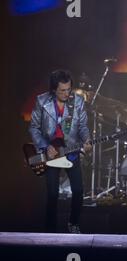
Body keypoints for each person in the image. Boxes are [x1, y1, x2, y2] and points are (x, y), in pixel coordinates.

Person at [29, 70, 91, 233]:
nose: (66, 93)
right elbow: (34, 128)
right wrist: (44, 146)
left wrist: (87, 140)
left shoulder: (77, 101)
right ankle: (50, 228)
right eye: (62, 90)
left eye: (68, 89)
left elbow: (83, 126)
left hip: (71, 150)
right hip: (51, 153)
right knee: (52, 194)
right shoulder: (42, 101)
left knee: (78, 191)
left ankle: (74, 223)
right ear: (53, 90)